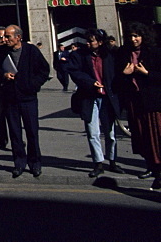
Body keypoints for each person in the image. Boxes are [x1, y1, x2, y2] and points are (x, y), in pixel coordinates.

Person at [0, 24, 50, 178]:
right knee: (15, 133)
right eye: (4, 36)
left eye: (8, 36)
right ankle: (19, 163)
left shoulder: (31, 51)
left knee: (32, 132)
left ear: (18, 37)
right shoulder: (1, 52)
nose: (5, 39)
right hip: (10, 98)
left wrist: (33, 85)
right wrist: (4, 75)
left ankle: (35, 163)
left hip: (28, 98)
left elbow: (44, 70)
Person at [67, 28, 123, 177]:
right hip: (90, 97)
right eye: (88, 40)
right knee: (93, 132)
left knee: (110, 133)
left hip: (107, 97)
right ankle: (98, 163)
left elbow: (118, 73)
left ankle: (112, 160)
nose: (88, 43)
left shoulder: (110, 55)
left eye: (91, 40)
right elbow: (75, 72)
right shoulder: (80, 55)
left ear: (100, 42)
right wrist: (90, 82)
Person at [117, 23, 161, 190]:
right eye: (130, 36)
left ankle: (159, 173)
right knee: (143, 139)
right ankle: (153, 168)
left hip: (153, 102)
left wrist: (147, 74)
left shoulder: (154, 52)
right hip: (135, 103)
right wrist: (124, 74)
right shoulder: (123, 54)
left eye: (136, 36)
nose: (133, 39)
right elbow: (116, 81)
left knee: (156, 137)